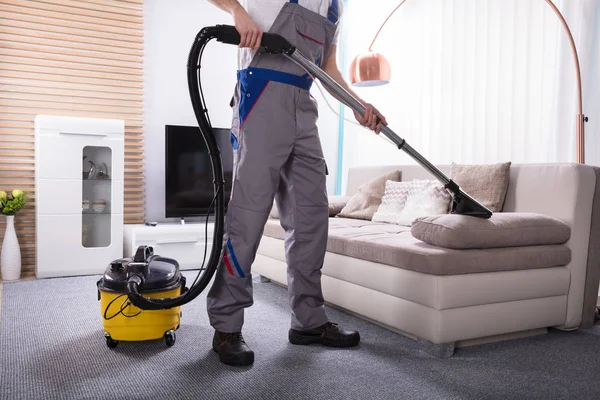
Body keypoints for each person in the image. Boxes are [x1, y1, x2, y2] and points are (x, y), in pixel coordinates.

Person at [206, 0, 388, 366]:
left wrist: (357, 103)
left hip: (303, 110)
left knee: (311, 218)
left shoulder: (336, 9)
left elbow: (328, 68)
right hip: (259, 97)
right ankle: (226, 325)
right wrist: (237, 12)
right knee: (248, 217)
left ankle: (308, 320)